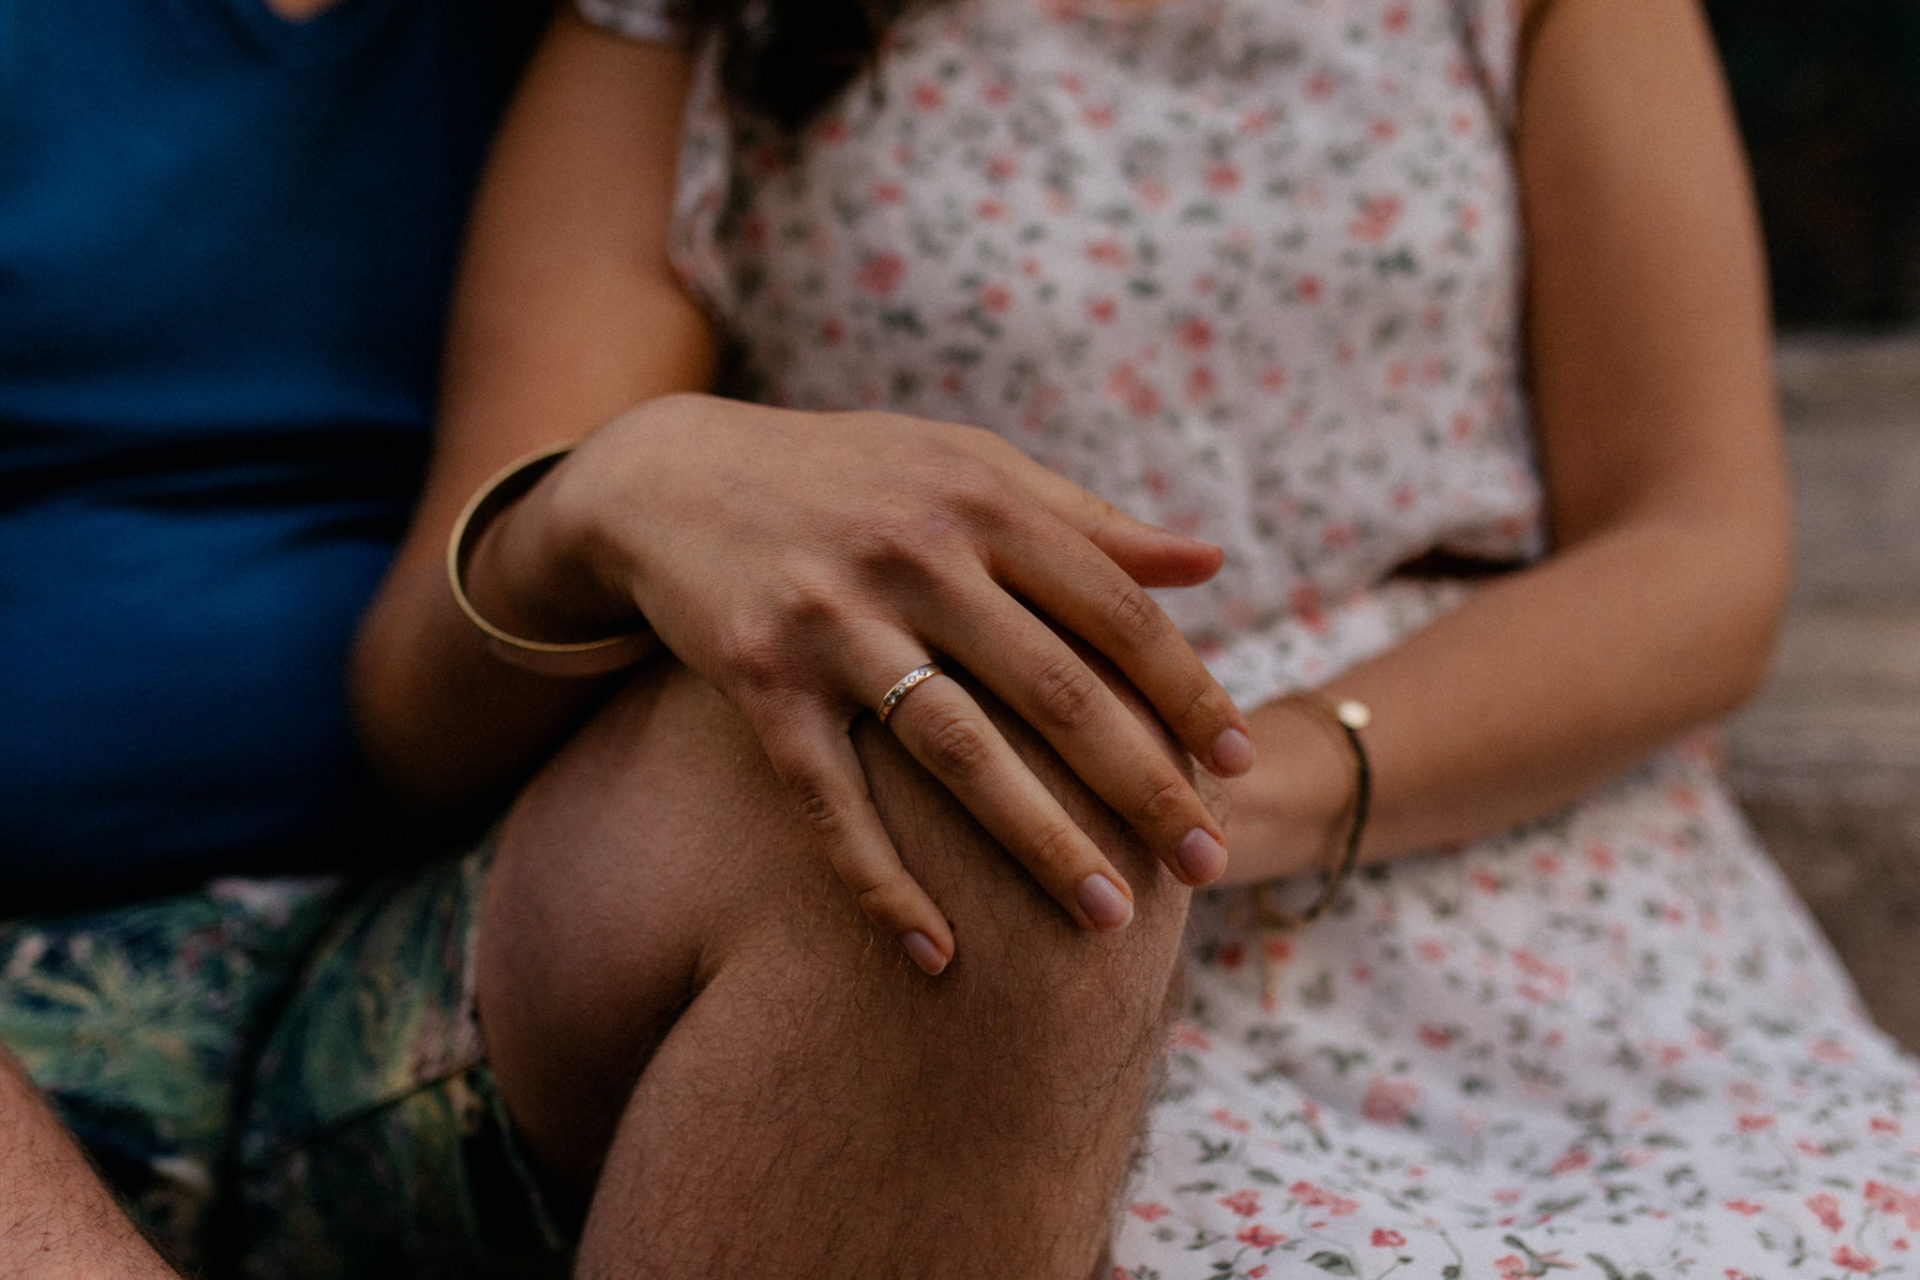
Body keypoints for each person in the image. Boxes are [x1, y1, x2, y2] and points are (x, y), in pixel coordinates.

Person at [290, 0, 1920, 1275]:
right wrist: (608, 501)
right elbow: (427, 701)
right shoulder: (693, 25)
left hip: (1542, 873)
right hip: (999, 928)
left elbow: (1697, 549)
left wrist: (1219, 793)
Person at [0, 1, 1251, 1276]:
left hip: (417, 946)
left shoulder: (641, 37)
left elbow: (430, 699)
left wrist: (620, 484)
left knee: (985, 782)